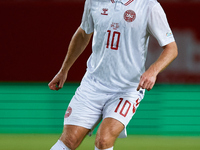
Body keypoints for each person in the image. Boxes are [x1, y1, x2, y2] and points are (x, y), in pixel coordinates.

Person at [48, 0, 178, 149]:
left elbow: (171, 48)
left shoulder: (149, 6)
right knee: (69, 140)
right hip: (92, 85)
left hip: (127, 89)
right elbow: (84, 33)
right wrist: (64, 70)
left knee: (103, 140)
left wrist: (152, 71)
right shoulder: (93, 2)